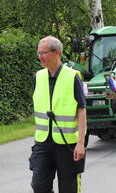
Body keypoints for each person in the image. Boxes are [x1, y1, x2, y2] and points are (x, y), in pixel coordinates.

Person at [30, 36, 87, 193]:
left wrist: (80, 143)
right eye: (38, 53)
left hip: (67, 143)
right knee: (39, 186)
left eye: (43, 53)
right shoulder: (38, 77)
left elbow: (81, 110)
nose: (39, 56)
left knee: (69, 189)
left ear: (56, 53)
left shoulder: (72, 77)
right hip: (43, 142)